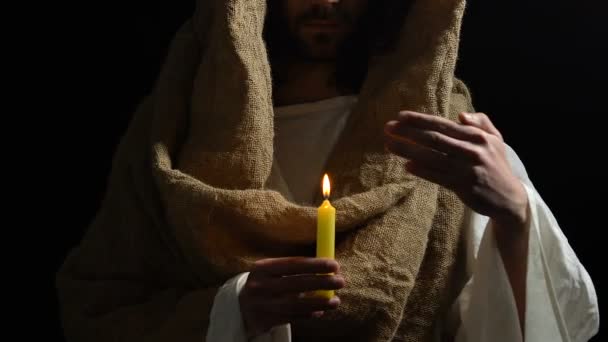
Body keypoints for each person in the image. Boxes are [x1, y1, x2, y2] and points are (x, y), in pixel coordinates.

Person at [56, 0, 599, 341]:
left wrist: (517, 216)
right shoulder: (176, 128)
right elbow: (97, 308)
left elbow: (519, 325)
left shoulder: (442, 126)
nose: (327, 2)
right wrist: (230, 314)